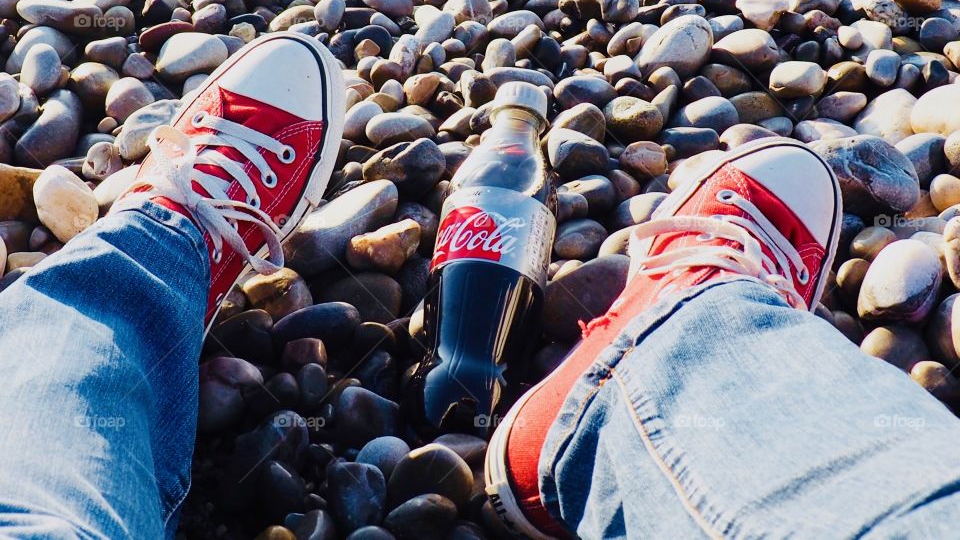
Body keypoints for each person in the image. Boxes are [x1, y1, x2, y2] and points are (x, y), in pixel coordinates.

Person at [0, 33, 954, 540]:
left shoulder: (519, 169)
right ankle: (673, 364)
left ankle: (155, 252)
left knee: (50, 384)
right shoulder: (514, 171)